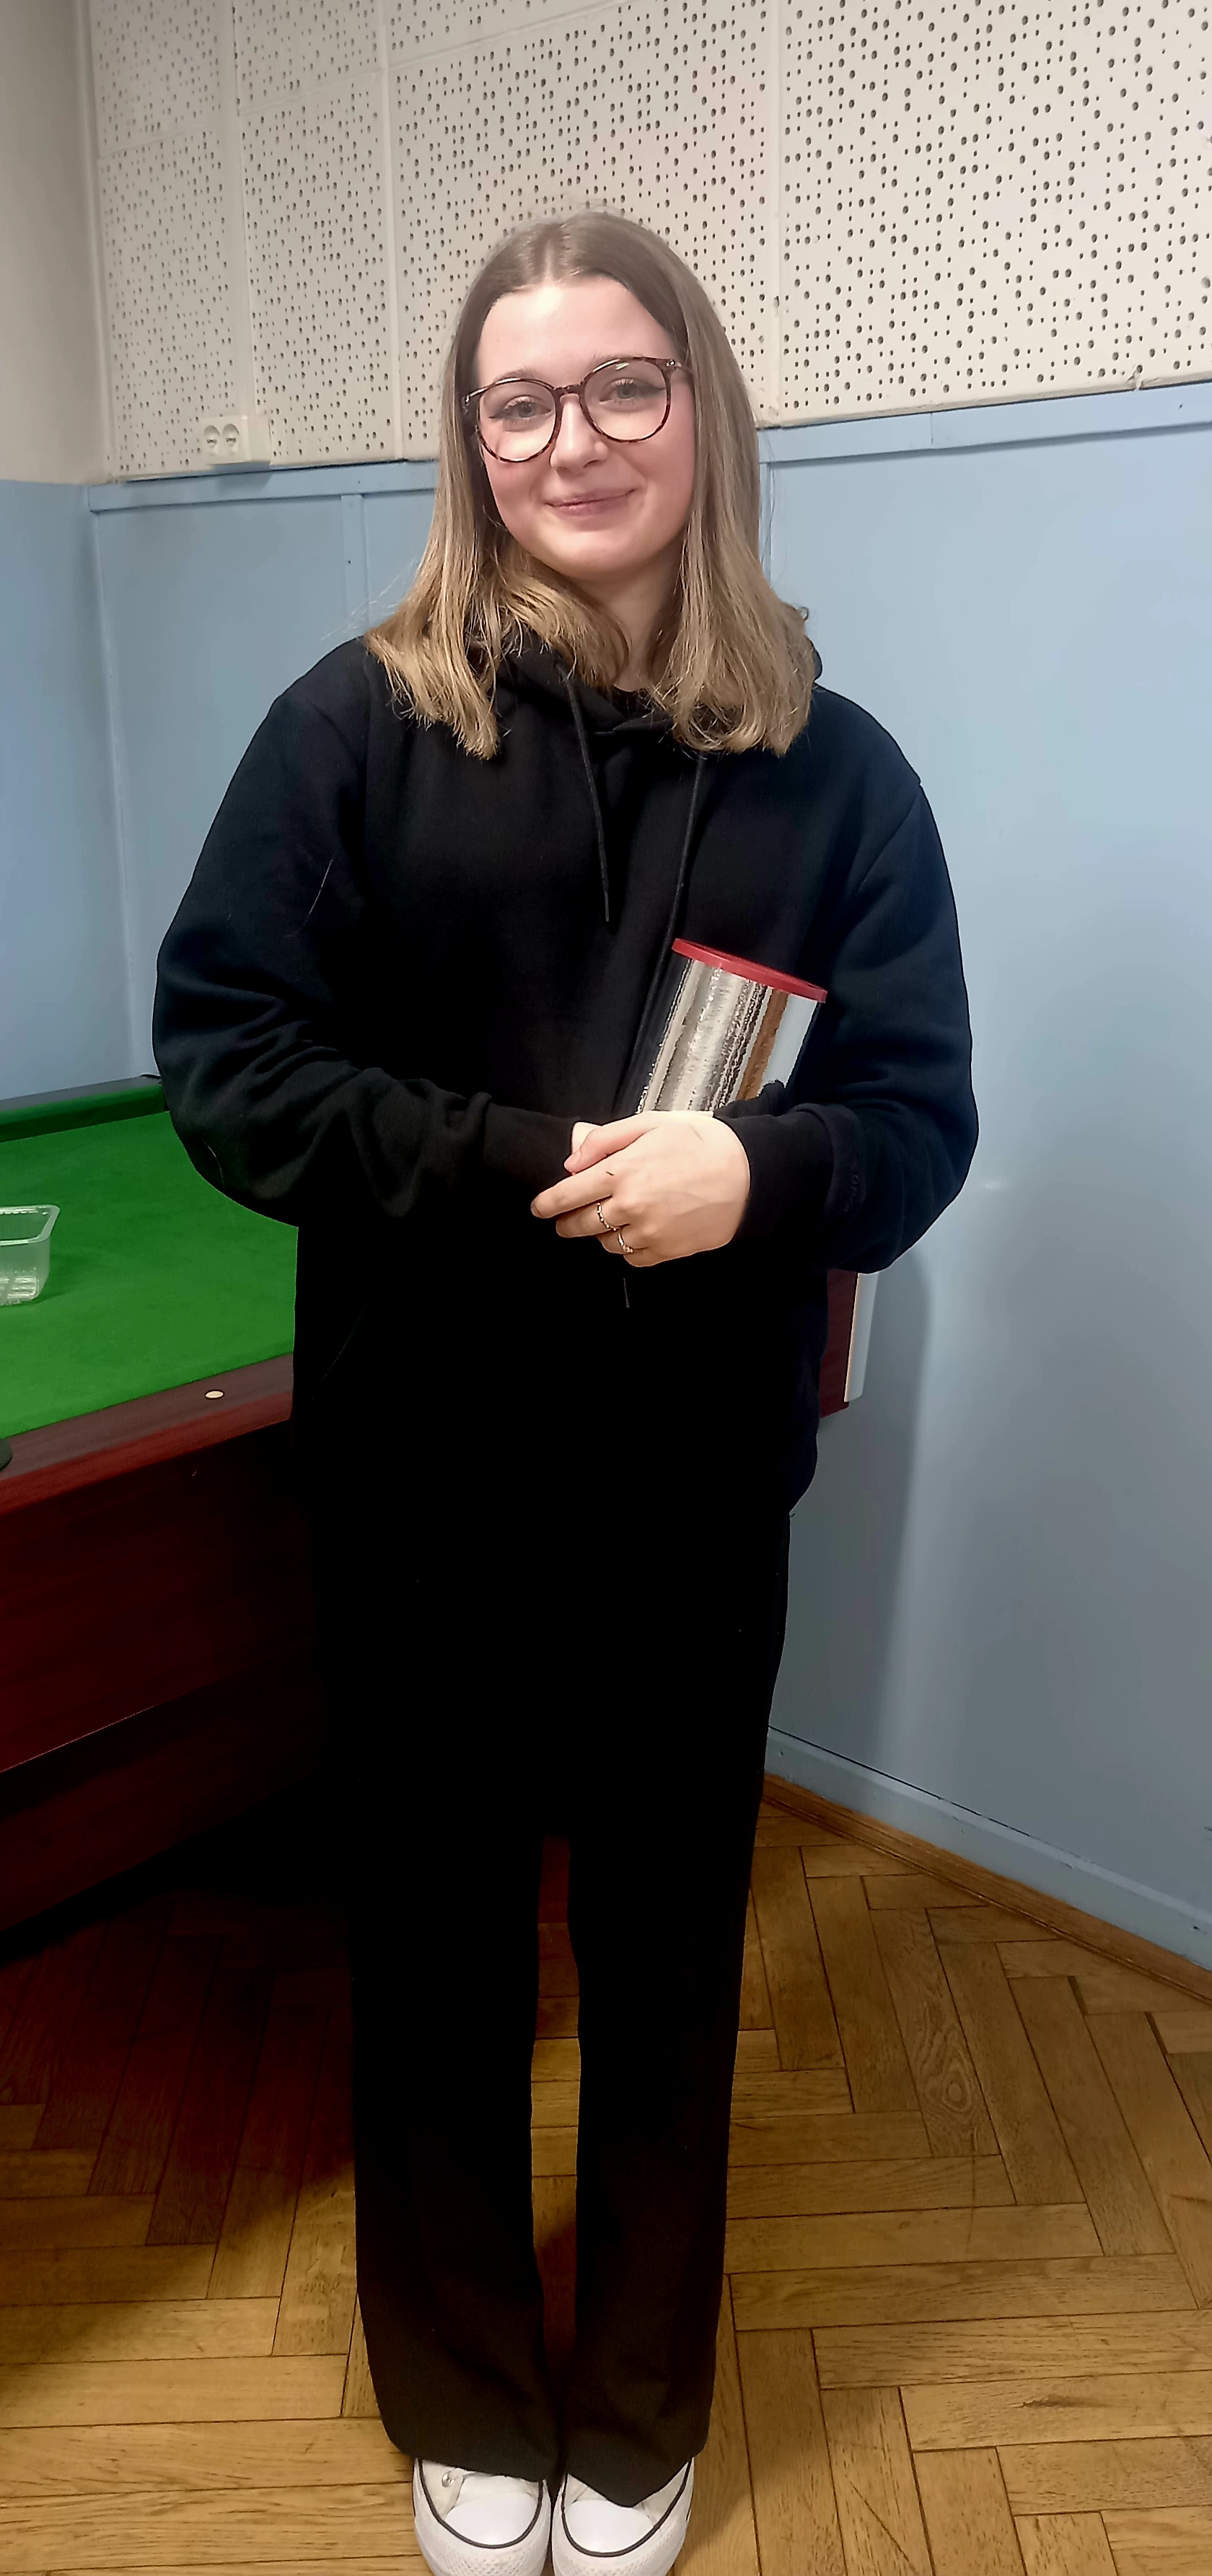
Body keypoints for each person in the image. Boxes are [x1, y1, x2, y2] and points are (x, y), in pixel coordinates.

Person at [153, 211, 977, 2576]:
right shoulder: (353, 727)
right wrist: (537, 1165)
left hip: (692, 1489)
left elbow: (917, 1123)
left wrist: (762, 1172)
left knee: (670, 1956)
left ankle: (633, 2415)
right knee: (431, 1958)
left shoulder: (840, 773)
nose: (572, 439)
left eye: (623, 385)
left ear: (698, 409)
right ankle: (464, 2401)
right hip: (420, 1477)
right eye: (519, 401)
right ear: (472, 440)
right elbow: (230, 1064)